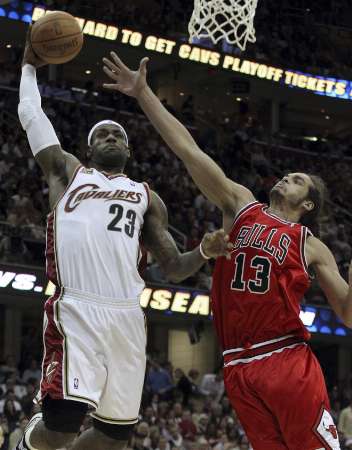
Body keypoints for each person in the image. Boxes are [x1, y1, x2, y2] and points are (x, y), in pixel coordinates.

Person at [102, 51, 352, 450]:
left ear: (308, 205)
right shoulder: (240, 204)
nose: (288, 176)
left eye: (298, 179)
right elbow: (189, 151)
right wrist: (143, 93)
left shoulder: (312, 244)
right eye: (289, 174)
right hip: (236, 365)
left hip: (284, 357)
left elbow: (347, 313)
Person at [15, 37, 232, 450]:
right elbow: (30, 113)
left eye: (118, 135)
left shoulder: (147, 197)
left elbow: (173, 267)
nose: (111, 138)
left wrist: (205, 251)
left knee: (115, 436)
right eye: (103, 135)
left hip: (128, 316)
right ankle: (24, 441)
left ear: (129, 150)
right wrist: (29, 67)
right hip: (78, 307)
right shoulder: (66, 173)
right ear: (89, 148)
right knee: (60, 429)